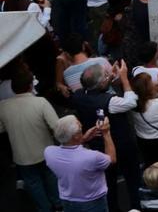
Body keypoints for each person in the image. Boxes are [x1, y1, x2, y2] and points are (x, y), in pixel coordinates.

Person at [0, 67, 61, 212]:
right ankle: (58, 204)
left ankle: (45, 208)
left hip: (22, 156)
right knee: (51, 177)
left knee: (33, 184)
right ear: (30, 86)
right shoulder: (40, 102)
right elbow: (56, 127)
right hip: (45, 151)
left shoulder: (2, 107)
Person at [44, 115, 115, 212]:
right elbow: (111, 159)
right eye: (80, 129)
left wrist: (82, 139)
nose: (82, 128)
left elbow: (70, 147)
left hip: (67, 201)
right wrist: (106, 133)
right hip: (93, 202)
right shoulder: (92, 157)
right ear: (76, 136)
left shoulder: (49, 152)